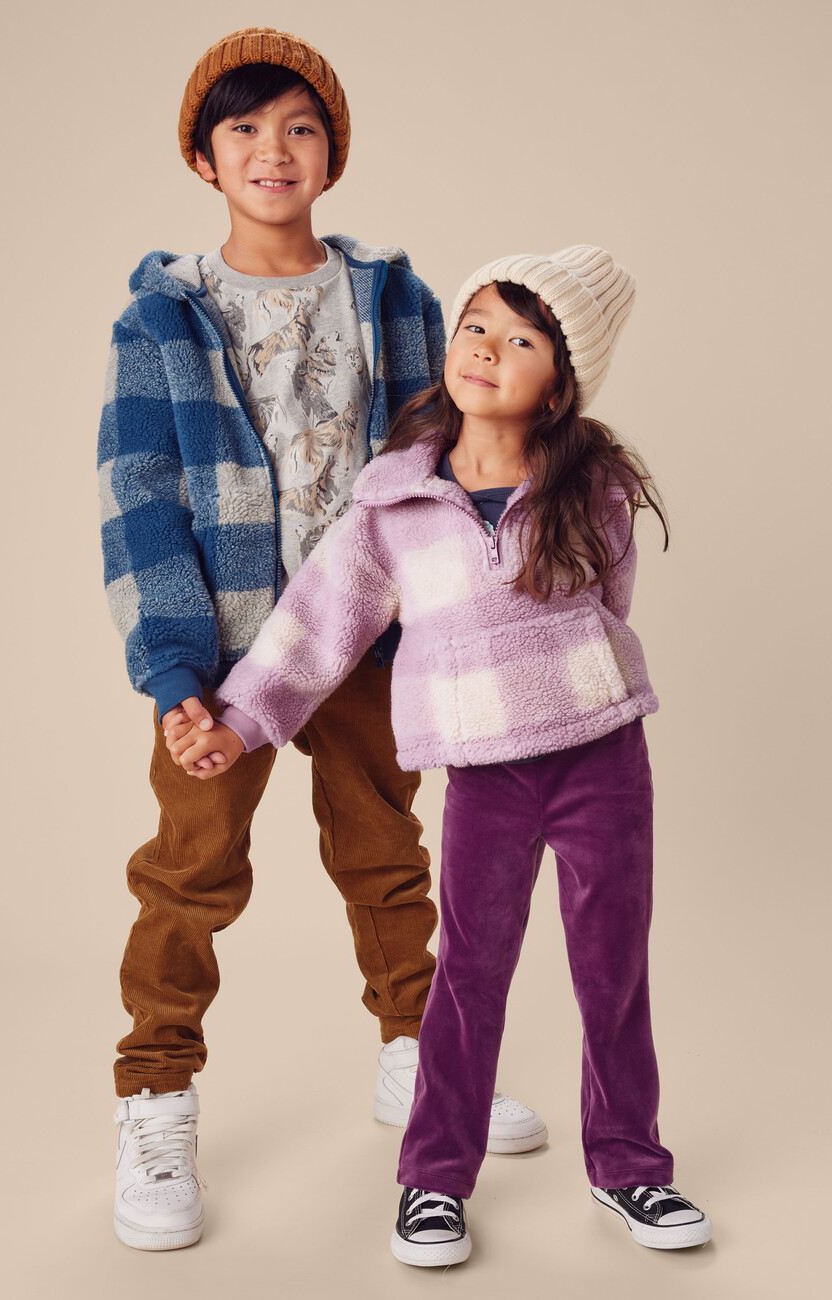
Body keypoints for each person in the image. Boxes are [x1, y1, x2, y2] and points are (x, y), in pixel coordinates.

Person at [172, 246, 714, 1266]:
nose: (486, 350)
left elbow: (610, 603)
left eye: (522, 340)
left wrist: (579, 687)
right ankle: (432, 1182)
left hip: (601, 754)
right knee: (467, 977)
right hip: (483, 769)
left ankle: (630, 1166)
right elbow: (317, 624)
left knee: (612, 971)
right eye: (476, 326)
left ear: (558, 384)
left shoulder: (591, 487)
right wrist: (240, 720)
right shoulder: (394, 502)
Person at [98, 27, 545, 1253]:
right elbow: (141, 499)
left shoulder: (395, 296)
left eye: (299, 127)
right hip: (229, 653)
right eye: (243, 128)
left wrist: (458, 608)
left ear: (332, 153)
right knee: (190, 871)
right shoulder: (163, 317)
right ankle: (154, 1096)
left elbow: (447, 455)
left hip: (369, 638)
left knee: (384, 853)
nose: (273, 149)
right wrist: (176, 673)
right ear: (203, 158)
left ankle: (417, 1056)